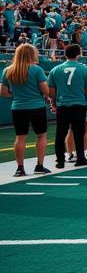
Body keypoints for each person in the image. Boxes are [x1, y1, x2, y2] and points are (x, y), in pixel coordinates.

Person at [1, 42, 51, 176]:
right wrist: (45, 96)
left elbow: (3, 92)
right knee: (41, 135)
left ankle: (20, 168)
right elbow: (46, 90)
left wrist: (16, 95)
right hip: (36, 106)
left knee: (20, 137)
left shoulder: (8, 70)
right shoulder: (36, 69)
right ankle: (39, 165)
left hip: (18, 107)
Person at [46, 43, 87, 168]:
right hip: (79, 104)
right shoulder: (84, 69)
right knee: (78, 132)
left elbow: (51, 92)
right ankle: (80, 158)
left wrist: (53, 102)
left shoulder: (55, 70)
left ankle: (60, 160)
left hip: (62, 104)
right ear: (78, 54)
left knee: (60, 133)